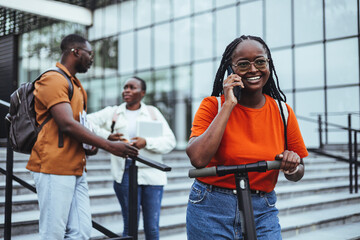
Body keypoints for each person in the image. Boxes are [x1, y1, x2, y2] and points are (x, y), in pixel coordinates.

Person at [186, 35, 309, 240]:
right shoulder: (212, 105)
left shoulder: (282, 111)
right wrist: (228, 105)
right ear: (230, 69)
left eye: (260, 61)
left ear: (268, 64)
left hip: (262, 209)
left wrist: (293, 165)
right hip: (210, 207)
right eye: (243, 64)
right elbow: (198, 159)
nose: (253, 70)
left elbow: (298, 172)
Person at [26, 34, 138, 240]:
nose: (92, 58)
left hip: (76, 166)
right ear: (75, 51)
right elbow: (67, 124)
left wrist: (91, 143)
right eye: (90, 53)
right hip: (53, 166)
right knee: (53, 233)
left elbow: (79, 124)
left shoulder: (74, 83)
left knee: (81, 232)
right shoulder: (53, 79)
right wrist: (108, 146)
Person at [87, 76, 176, 239]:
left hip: (152, 175)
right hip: (125, 173)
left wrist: (146, 142)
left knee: (152, 228)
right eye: (125, 87)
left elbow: (170, 141)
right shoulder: (112, 113)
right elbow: (86, 121)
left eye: (132, 87)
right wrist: (107, 136)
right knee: (129, 226)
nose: (126, 90)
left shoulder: (153, 113)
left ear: (142, 93)